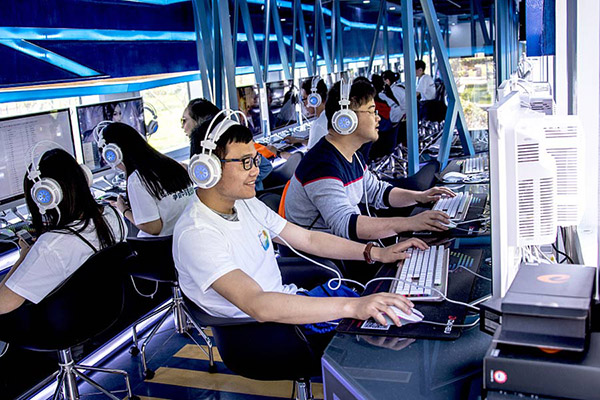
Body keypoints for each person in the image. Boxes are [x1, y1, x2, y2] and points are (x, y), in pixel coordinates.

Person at [174, 111, 427, 343]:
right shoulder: (197, 234)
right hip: (265, 336)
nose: (256, 171)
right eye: (245, 162)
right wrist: (352, 307)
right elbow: (258, 304)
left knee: (399, 321)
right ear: (208, 169)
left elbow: (308, 240)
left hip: (289, 308)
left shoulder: (245, 204)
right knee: (389, 336)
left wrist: (375, 252)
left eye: (255, 159)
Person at [284, 80, 454, 245]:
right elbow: (345, 223)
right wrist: (411, 223)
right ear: (346, 119)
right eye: (372, 111)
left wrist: (421, 197)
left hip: (348, 246)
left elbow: (377, 192)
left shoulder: (351, 155)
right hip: (325, 258)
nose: (378, 118)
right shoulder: (322, 165)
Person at [0, 148, 127, 314]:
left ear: (46, 196)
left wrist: (23, 258)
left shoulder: (51, 246)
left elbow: (2, 304)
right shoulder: (113, 215)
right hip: (107, 313)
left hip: (66, 323)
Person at [101, 122, 194, 237]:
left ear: (114, 153)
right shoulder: (171, 163)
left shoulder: (137, 180)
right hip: (186, 236)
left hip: (164, 244)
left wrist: (124, 210)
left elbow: (153, 228)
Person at [301, 77, 328, 149]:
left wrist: (279, 153)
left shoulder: (318, 125)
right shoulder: (329, 116)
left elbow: (310, 155)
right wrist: (300, 141)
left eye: (304, 99)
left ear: (313, 99)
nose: (304, 104)